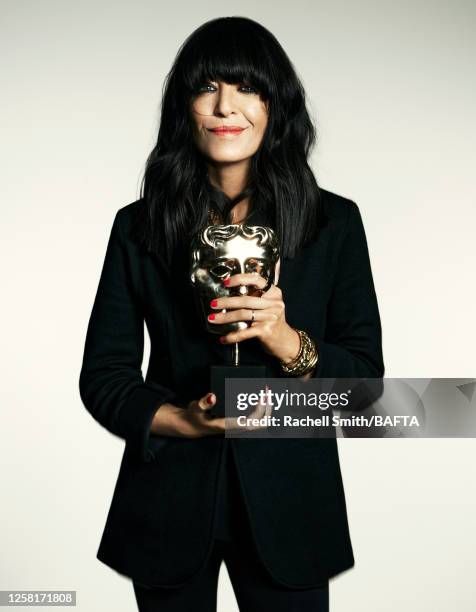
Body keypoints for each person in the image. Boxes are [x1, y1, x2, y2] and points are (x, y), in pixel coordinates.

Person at [79, 16, 384, 612]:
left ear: (276, 106)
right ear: (184, 106)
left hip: (292, 504)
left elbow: (365, 387)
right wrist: (177, 420)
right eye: (207, 87)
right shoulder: (138, 228)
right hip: (168, 501)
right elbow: (104, 376)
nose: (225, 106)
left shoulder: (334, 224)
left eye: (247, 88)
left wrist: (287, 341)